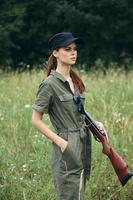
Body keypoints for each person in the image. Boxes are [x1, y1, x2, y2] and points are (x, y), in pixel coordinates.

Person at [32, 32, 105, 200]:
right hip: (66, 144)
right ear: (56, 53)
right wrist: (62, 143)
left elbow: (78, 112)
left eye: (75, 49)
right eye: (67, 49)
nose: (73, 53)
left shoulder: (73, 81)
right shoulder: (49, 84)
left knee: (79, 191)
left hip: (83, 140)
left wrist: (96, 123)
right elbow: (35, 120)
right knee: (69, 195)